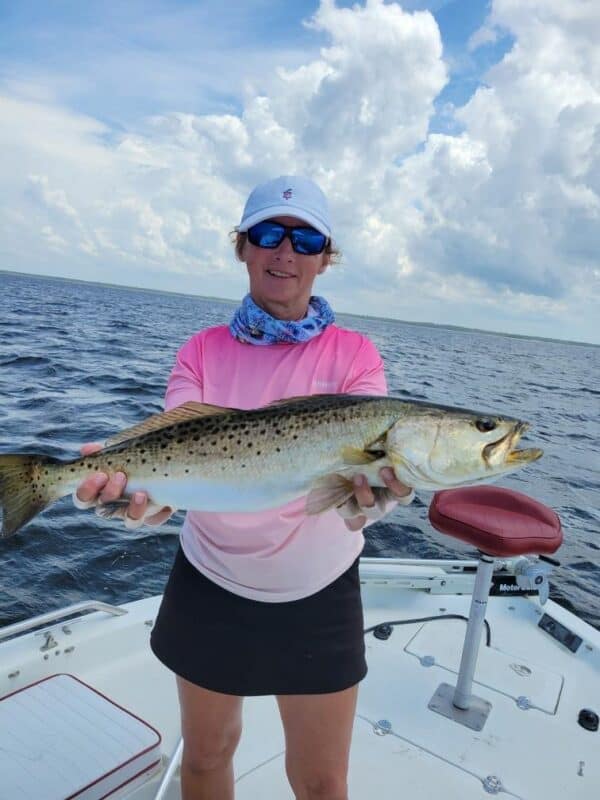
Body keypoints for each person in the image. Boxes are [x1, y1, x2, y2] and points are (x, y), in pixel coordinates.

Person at [75, 175, 414, 800]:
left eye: (306, 240)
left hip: (319, 590)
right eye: (268, 234)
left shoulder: (357, 356)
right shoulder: (200, 352)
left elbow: (362, 480)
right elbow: (174, 469)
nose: (286, 252)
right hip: (210, 580)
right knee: (205, 757)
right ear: (243, 247)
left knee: (322, 782)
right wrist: (137, 504)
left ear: (325, 258)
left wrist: (374, 498)